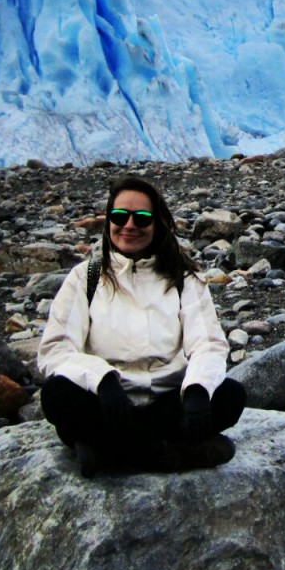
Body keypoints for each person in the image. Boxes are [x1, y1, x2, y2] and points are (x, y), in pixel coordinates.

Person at [38, 174, 246, 478]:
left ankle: (110, 451)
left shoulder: (182, 279)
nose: (129, 225)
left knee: (230, 396)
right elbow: (56, 348)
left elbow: (208, 343)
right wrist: (102, 380)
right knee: (57, 395)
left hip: (166, 400)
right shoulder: (87, 277)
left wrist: (198, 389)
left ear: (157, 222)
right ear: (108, 220)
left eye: (142, 217)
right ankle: (166, 454)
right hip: (108, 401)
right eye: (119, 216)